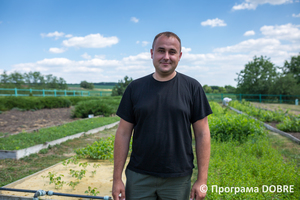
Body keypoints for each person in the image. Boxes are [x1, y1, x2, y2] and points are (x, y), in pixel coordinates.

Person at [112, 31, 212, 200]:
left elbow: (202, 134)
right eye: (161, 50)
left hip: (178, 178)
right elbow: (123, 133)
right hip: (139, 176)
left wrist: (202, 180)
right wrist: (117, 179)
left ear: (179, 56)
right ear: (152, 53)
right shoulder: (135, 88)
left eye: (172, 52)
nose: (166, 56)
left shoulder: (193, 88)